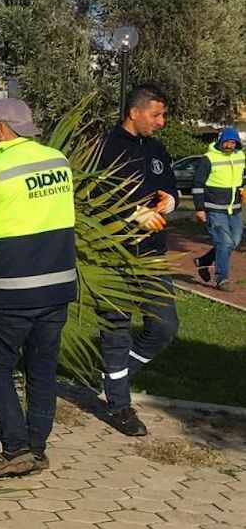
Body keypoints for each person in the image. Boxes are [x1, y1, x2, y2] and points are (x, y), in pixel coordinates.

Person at [0, 99, 76, 479]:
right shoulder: (58, 163)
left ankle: (17, 448)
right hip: (57, 287)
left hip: (12, 291)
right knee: (41, 369)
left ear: (2, 128)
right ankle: (37, 449)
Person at [95, 85, 179, 438]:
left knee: (164, 326)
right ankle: (119, 405)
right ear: (134, 112)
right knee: (115, 331)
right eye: (155, 115)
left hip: (153, 257)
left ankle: (117, 377)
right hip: (115, 256)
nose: (161, 122)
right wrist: (132, 214)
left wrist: (170, 202)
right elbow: (92, 198)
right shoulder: (104, 149)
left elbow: (170, 187)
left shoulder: (157, 149)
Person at [191, 127, 244, 291]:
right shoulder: (209, 158)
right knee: (225, 242)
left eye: (233, 143)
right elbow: (198, 185)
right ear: (220, 142)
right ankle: (222, 279)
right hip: (214, 209)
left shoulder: (241, 156)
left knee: (233, 242)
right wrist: (200, 208)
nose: (229, 146)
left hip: (234, 209)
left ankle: (204, 261)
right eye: (227, 142)